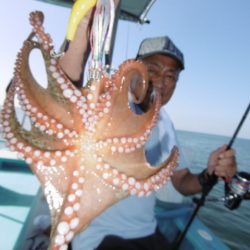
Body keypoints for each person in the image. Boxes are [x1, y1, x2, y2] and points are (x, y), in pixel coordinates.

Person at [59, 10, 237, 250]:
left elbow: (181, 180)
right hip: (99, 240)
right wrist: (83, 32)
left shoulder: (163, 121)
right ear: (134, 70)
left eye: (170, 75)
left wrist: (210, 174)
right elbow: (67, 86)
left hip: (147, 233)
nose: (161, 82)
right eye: (152, 70)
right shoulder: (106, 101)